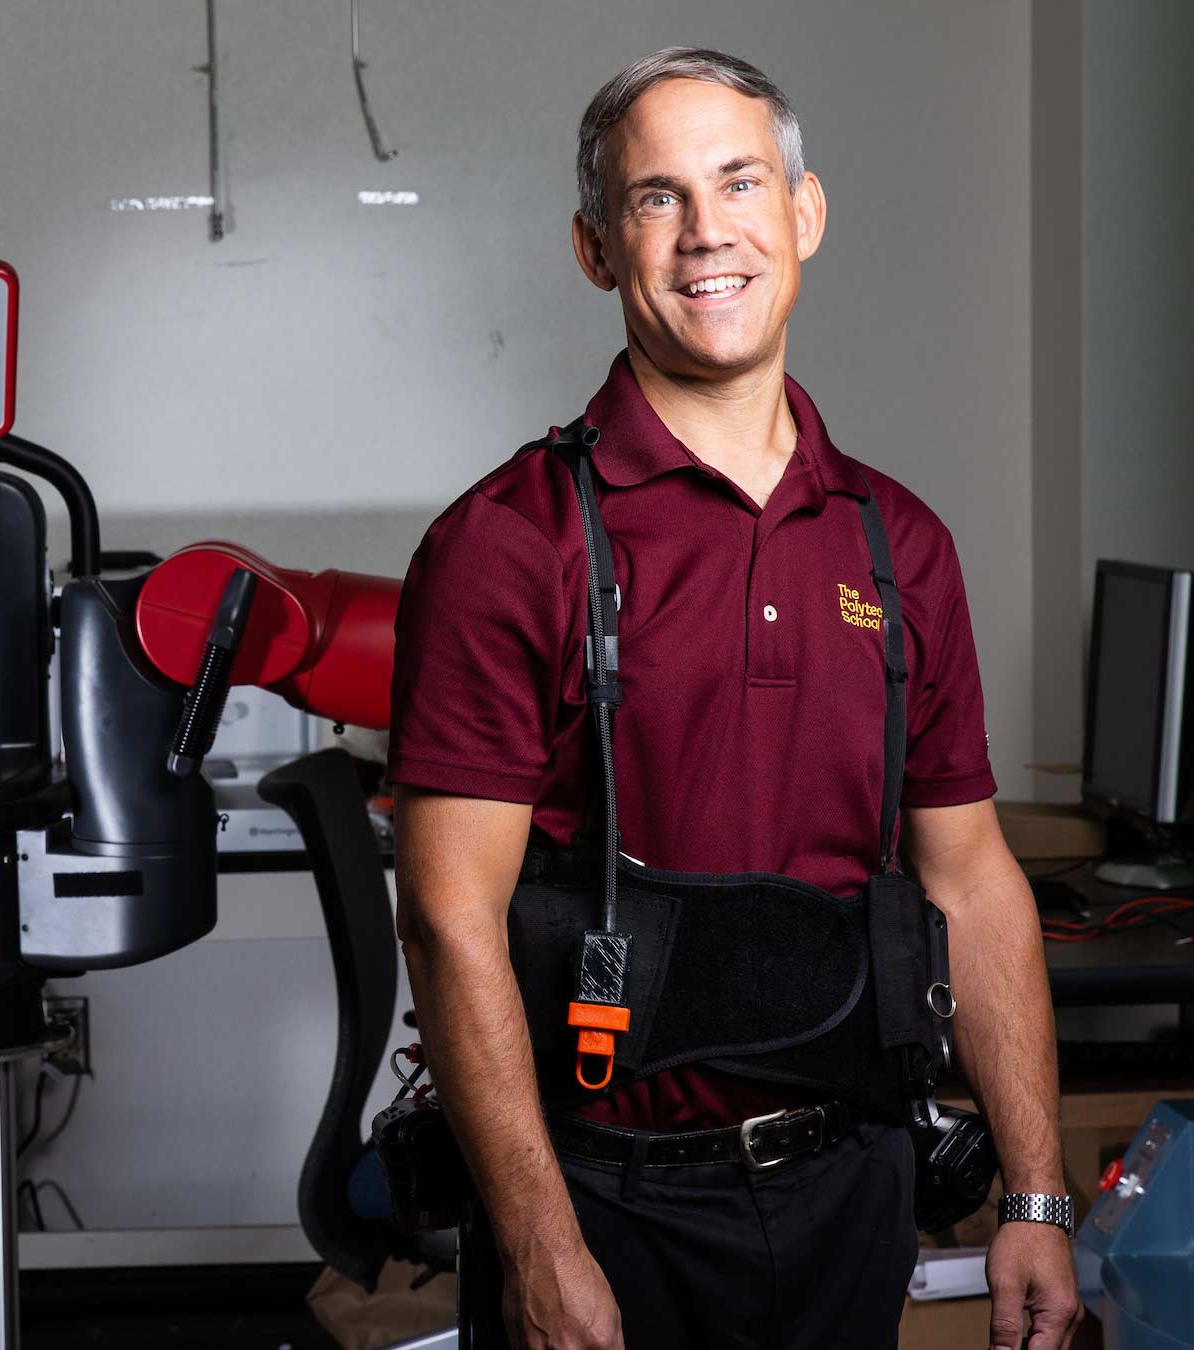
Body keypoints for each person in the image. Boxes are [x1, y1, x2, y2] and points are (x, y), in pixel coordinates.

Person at [387, 48, 1080, 1350]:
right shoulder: (513, 541)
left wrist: (1037, 1195)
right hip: (608, 1205)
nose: (707, 232)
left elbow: (972, 878)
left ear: (802, 215)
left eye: (739, 182)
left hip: (851, 1190)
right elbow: (446, 911)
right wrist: (538, 1239)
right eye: (656, 198)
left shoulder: (897, 543)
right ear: (597, 249)